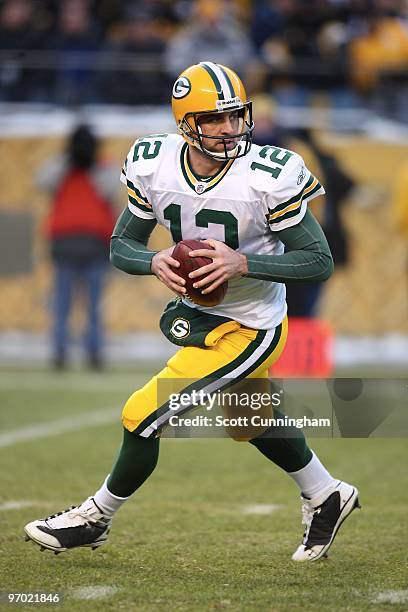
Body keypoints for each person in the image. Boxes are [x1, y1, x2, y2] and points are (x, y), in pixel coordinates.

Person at [25, 61, 360, 562]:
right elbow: (122, 245)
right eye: (214, 120)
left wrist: (244, 261)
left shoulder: (268, 174)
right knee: (249, 420)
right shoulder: (154, 163)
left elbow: (319, 260)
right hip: (203, 317)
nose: (230, 129)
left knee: (141, 414)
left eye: (236, 116)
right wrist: (153, 259)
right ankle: (326, 491)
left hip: (251, 327)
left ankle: (95, 517)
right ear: (185, 123)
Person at [37, 124, 117, 369]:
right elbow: (41, 181)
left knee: (93, 305)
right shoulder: (63, 168)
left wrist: (91, 164)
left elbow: (111, 189)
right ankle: (60, 351)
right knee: (62, 303)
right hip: (67, 246)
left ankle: (93, 351)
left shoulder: (103, 168)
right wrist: (68, 160)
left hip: (93, 245)